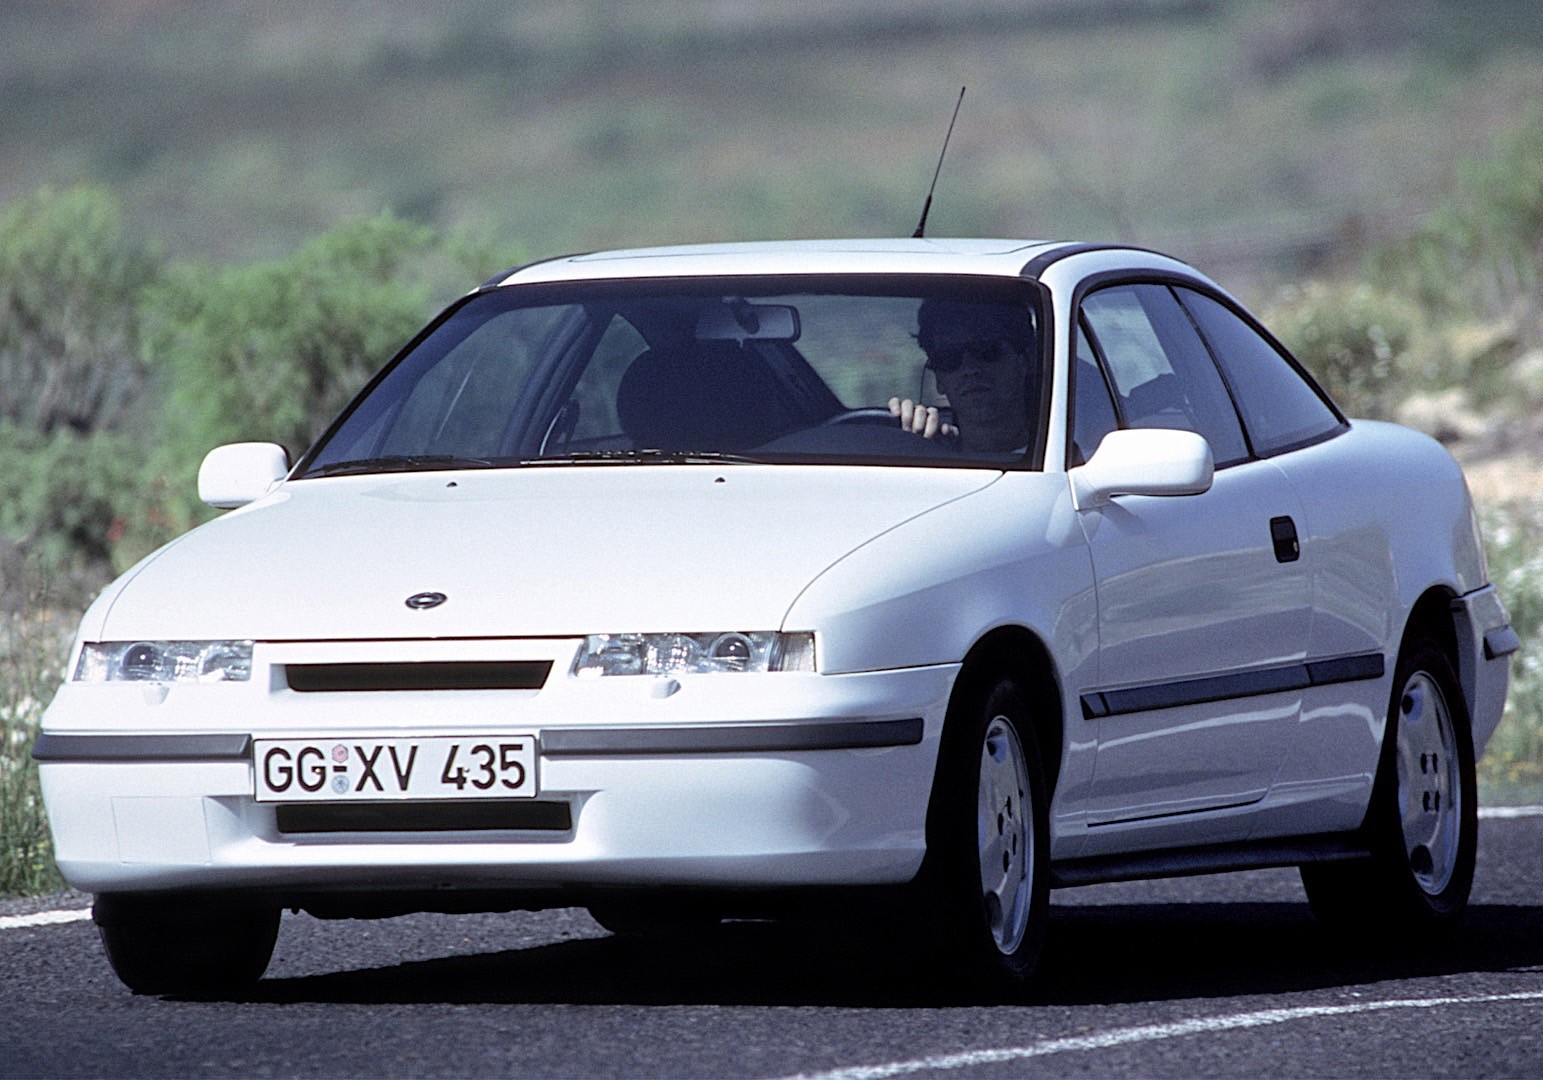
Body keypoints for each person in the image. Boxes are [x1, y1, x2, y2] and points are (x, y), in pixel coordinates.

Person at [889, 298, 1037, 453]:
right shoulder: (926, 453)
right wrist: (909, 435)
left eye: (985, 350)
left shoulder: (1054, 455)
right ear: (939, 379)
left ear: (1026, 361)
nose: (969, 369)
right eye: (949, 358)